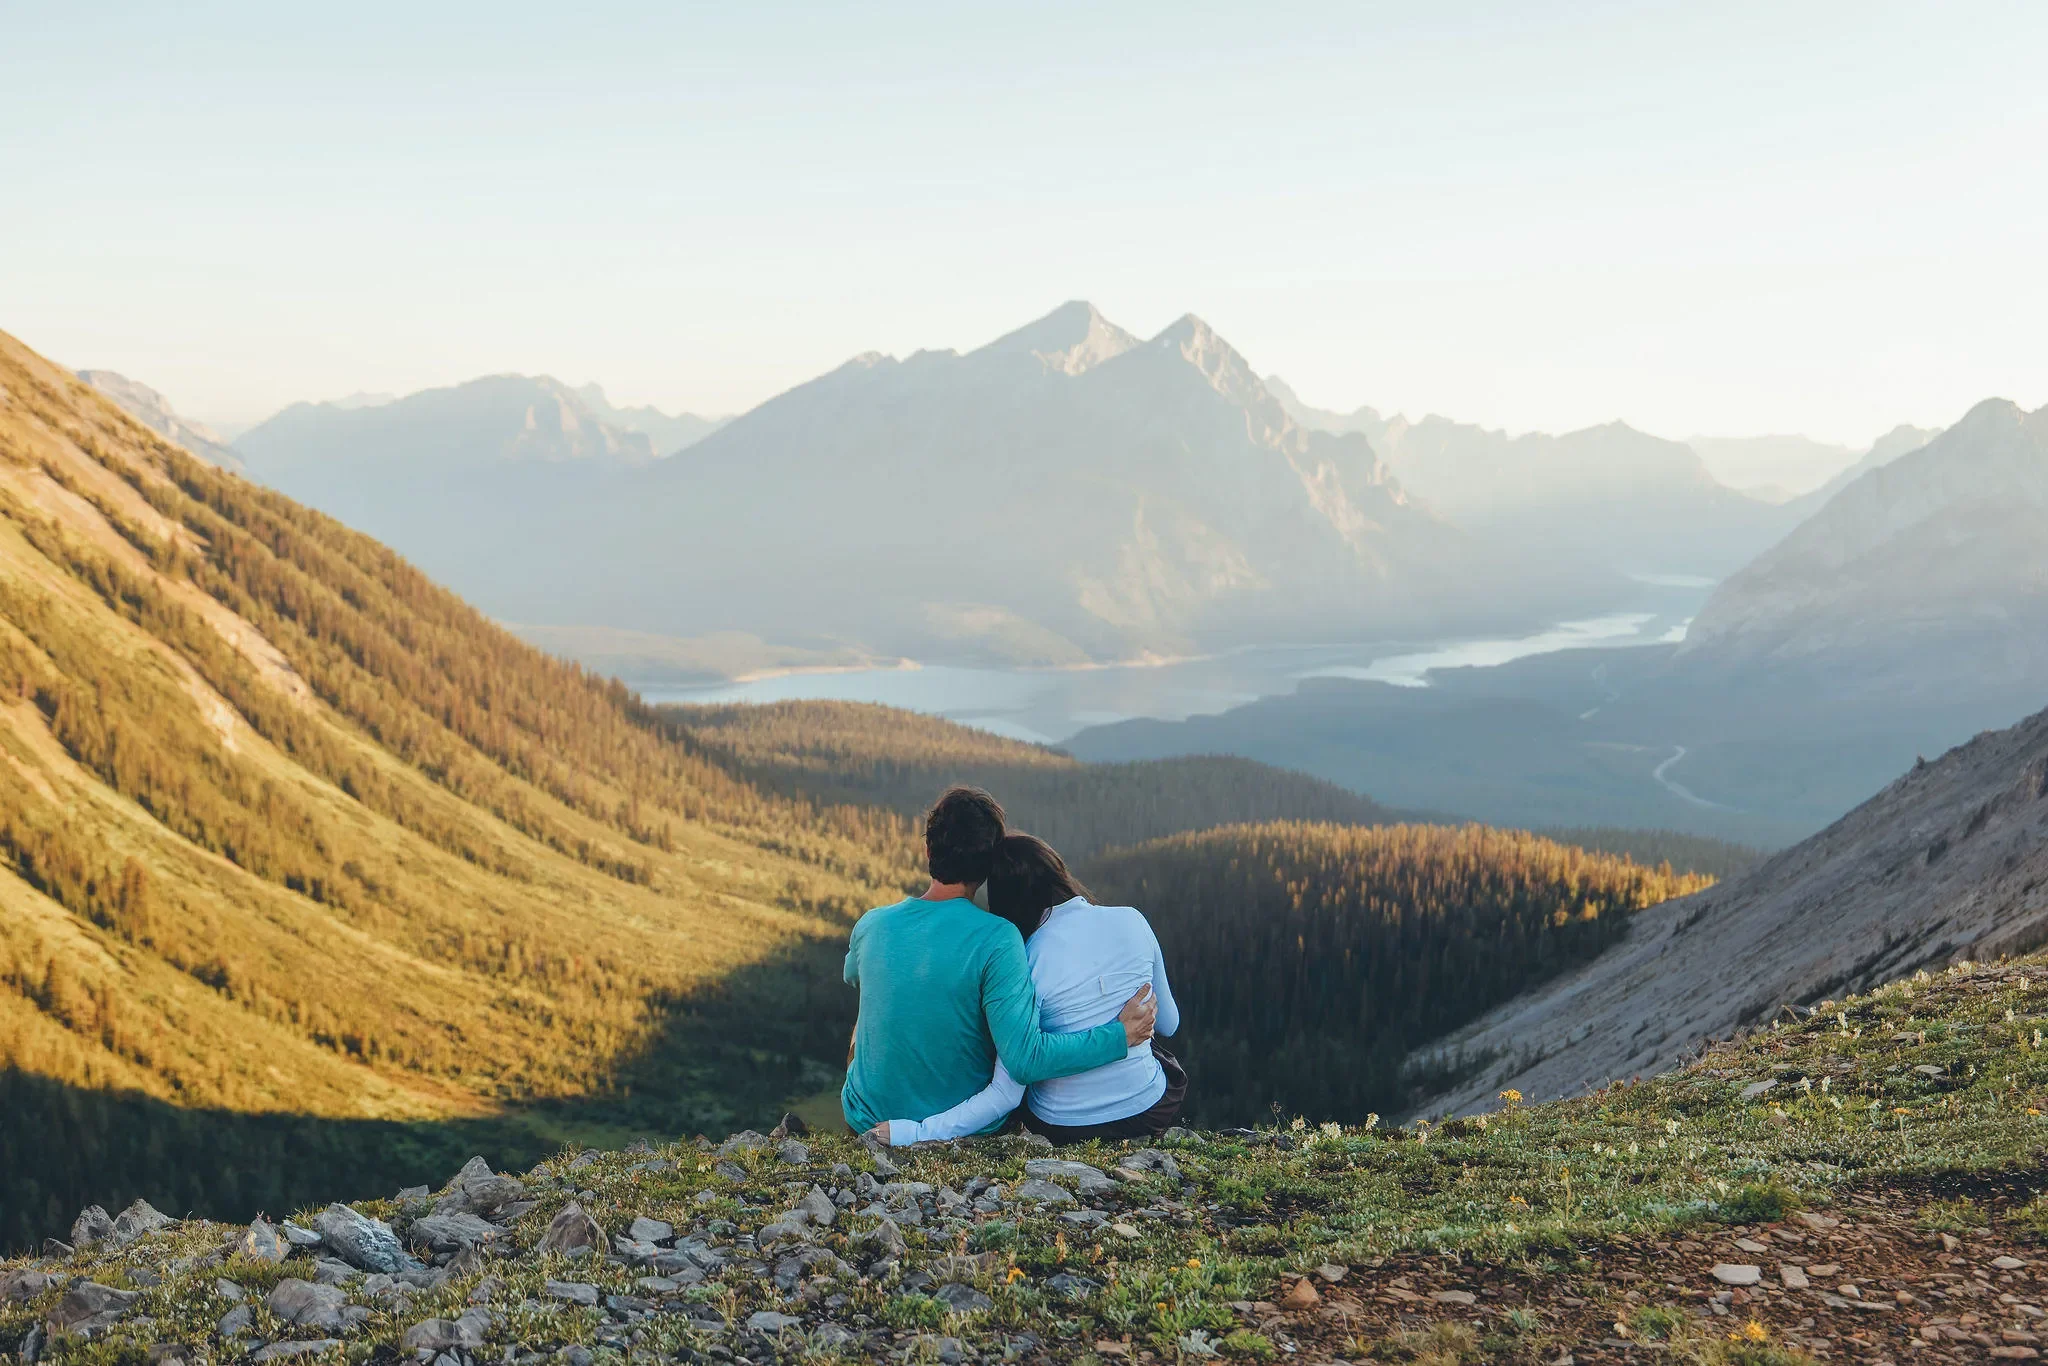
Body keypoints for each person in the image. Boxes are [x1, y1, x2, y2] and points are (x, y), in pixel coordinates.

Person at [840, 787, 1156, 1139]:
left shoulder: (871, 924)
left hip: (865, 1120)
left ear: (928, 850)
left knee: (867, 1016)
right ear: (990, 865)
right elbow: (1025, 1060)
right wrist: (1120, 1036)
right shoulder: (998, 938)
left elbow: (852, 973)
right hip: (961, 1126)